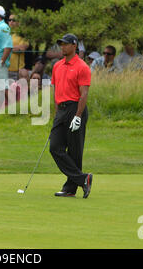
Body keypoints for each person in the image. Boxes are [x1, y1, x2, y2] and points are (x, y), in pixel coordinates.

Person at [49, 33, 93, 199]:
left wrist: (78, 116)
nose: (62, 47)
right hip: (61, 110)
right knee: (55, 147)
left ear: (74, 46)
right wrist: (56, 114)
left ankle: (70, 188)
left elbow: (84, 94)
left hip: (75, 108)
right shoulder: (57, 66)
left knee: (75, 151)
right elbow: (56, 92)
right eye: (61, 44)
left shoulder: (82, 67)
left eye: (65, 44)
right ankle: (83, 179)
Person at [7, 14, 29, 81]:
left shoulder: (22, 34)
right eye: (9, 20)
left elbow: (22, 48)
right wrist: (14, 47)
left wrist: (6, 48)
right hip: (4, 70)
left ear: (18, 22)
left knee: (18, 91)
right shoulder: (3, 33)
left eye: (13, 20)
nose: (11, 22)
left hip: (18, 71)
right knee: (3, 91)